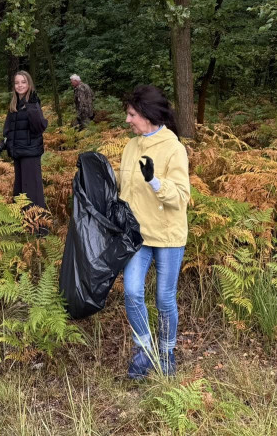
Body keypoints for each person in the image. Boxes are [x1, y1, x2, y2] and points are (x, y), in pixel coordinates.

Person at [117, 85, 191, 379]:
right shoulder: (130, 147)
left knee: (164, 299)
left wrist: (155, 181)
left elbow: (181, 196)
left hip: (168, 236)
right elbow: (125, 191)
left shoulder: (173, 148)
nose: (128, 120)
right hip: (139, 235)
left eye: (132, 114)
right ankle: (145, 351)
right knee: (132, 291)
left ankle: (166, 354)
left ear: (146, 115)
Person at [0, 70, 47, 209]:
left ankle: (37, 226)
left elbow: (39, 127)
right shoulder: (14, 105)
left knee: (32, 190)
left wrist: (32, 108)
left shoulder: (33, 103)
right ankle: (22, 223)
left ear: (29, 84)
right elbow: (10, 130)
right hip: (18, 153)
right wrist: (1, 146)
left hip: (30, 152)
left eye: (23, 82)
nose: (20, 85)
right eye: (17, 82)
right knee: (20, 190)